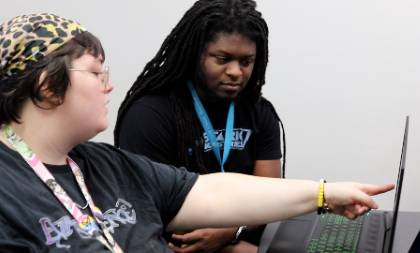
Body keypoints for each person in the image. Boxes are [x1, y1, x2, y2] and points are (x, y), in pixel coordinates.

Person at [0, 13, 393, 253]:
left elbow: (212, 191)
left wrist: (326, 193)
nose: (109, 86)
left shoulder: (104, 164)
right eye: (96, 73)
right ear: (47, 87)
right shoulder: (8, 188)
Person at [114, 0, 283, 251]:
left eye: (246, 61)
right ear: (196, 53)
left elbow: (271, 199)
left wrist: (229, 233)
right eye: (223, 59)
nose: (235, 71)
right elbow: (150, 211)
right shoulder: (149, 115)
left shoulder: (259, 111)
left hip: (240, 238)